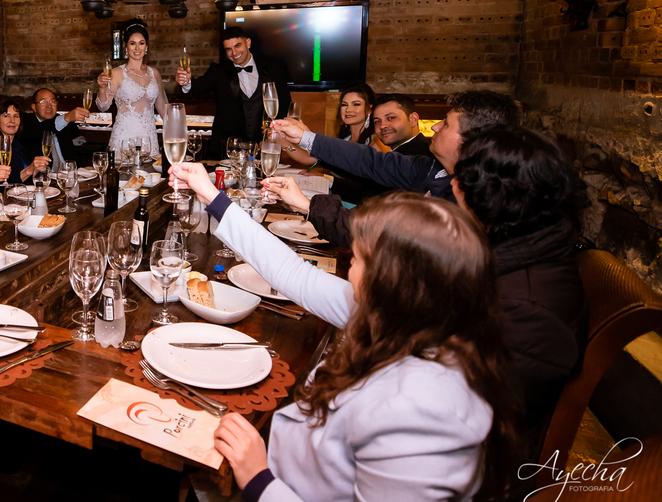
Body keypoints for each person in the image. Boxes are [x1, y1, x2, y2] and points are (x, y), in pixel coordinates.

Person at [168, 159, 516, 502]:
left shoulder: (422, 415)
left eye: (361, 258)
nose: (350, 268)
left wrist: (258, 480)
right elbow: (294, 274)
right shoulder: (413, 318)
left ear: (393, 280)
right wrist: (211, 195)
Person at [453, 127, 588, 444]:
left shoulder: (530, 313)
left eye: (462, 179)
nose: (452, 185)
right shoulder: (526, 248)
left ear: (492, 197)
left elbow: (460, 415)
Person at [270, 90, 522, 228]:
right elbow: (370, 162)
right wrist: (304, 137)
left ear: (471, 138)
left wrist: (307, 205)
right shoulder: (432, 168)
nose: (434, 127)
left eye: (445, 123)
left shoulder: (474, 202)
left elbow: (387, 233)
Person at [174, 25, 292, 159]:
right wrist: (186, 82)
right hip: (228, 148)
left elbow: (284, 102)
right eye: (229, 49)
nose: (234, 53)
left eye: (237, 46)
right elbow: (197, 86)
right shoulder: (218, 71)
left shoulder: (273, 68)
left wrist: (274, 134)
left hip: (263, 146)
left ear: (248, 43)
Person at [93, 22, 169, 159]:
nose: (137, 48)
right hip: (124, 137)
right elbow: (103, 106)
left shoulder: (155, 74)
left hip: (149, 138)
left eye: (141, 43)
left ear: (146, 46)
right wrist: (102, 88)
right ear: (126, 47)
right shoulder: (116, 73)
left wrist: (177, 132)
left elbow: (163, 107)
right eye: (132, 43)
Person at [0, 97, 50, 184]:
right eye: (6, 116)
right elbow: (2, 184)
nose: (12, 121)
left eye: (16, 116)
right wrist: (29, 170)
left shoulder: (18, 144)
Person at [18, 87, 89, 172]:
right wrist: (67, 118)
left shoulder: (64, 123)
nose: (49, 106)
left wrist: (83, 170)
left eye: (52, 101)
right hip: (42, 177)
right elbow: (41, 129)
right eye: (43, 102)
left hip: (68, 175)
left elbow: (72, 153)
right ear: (34, 107)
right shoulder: (25, 122)